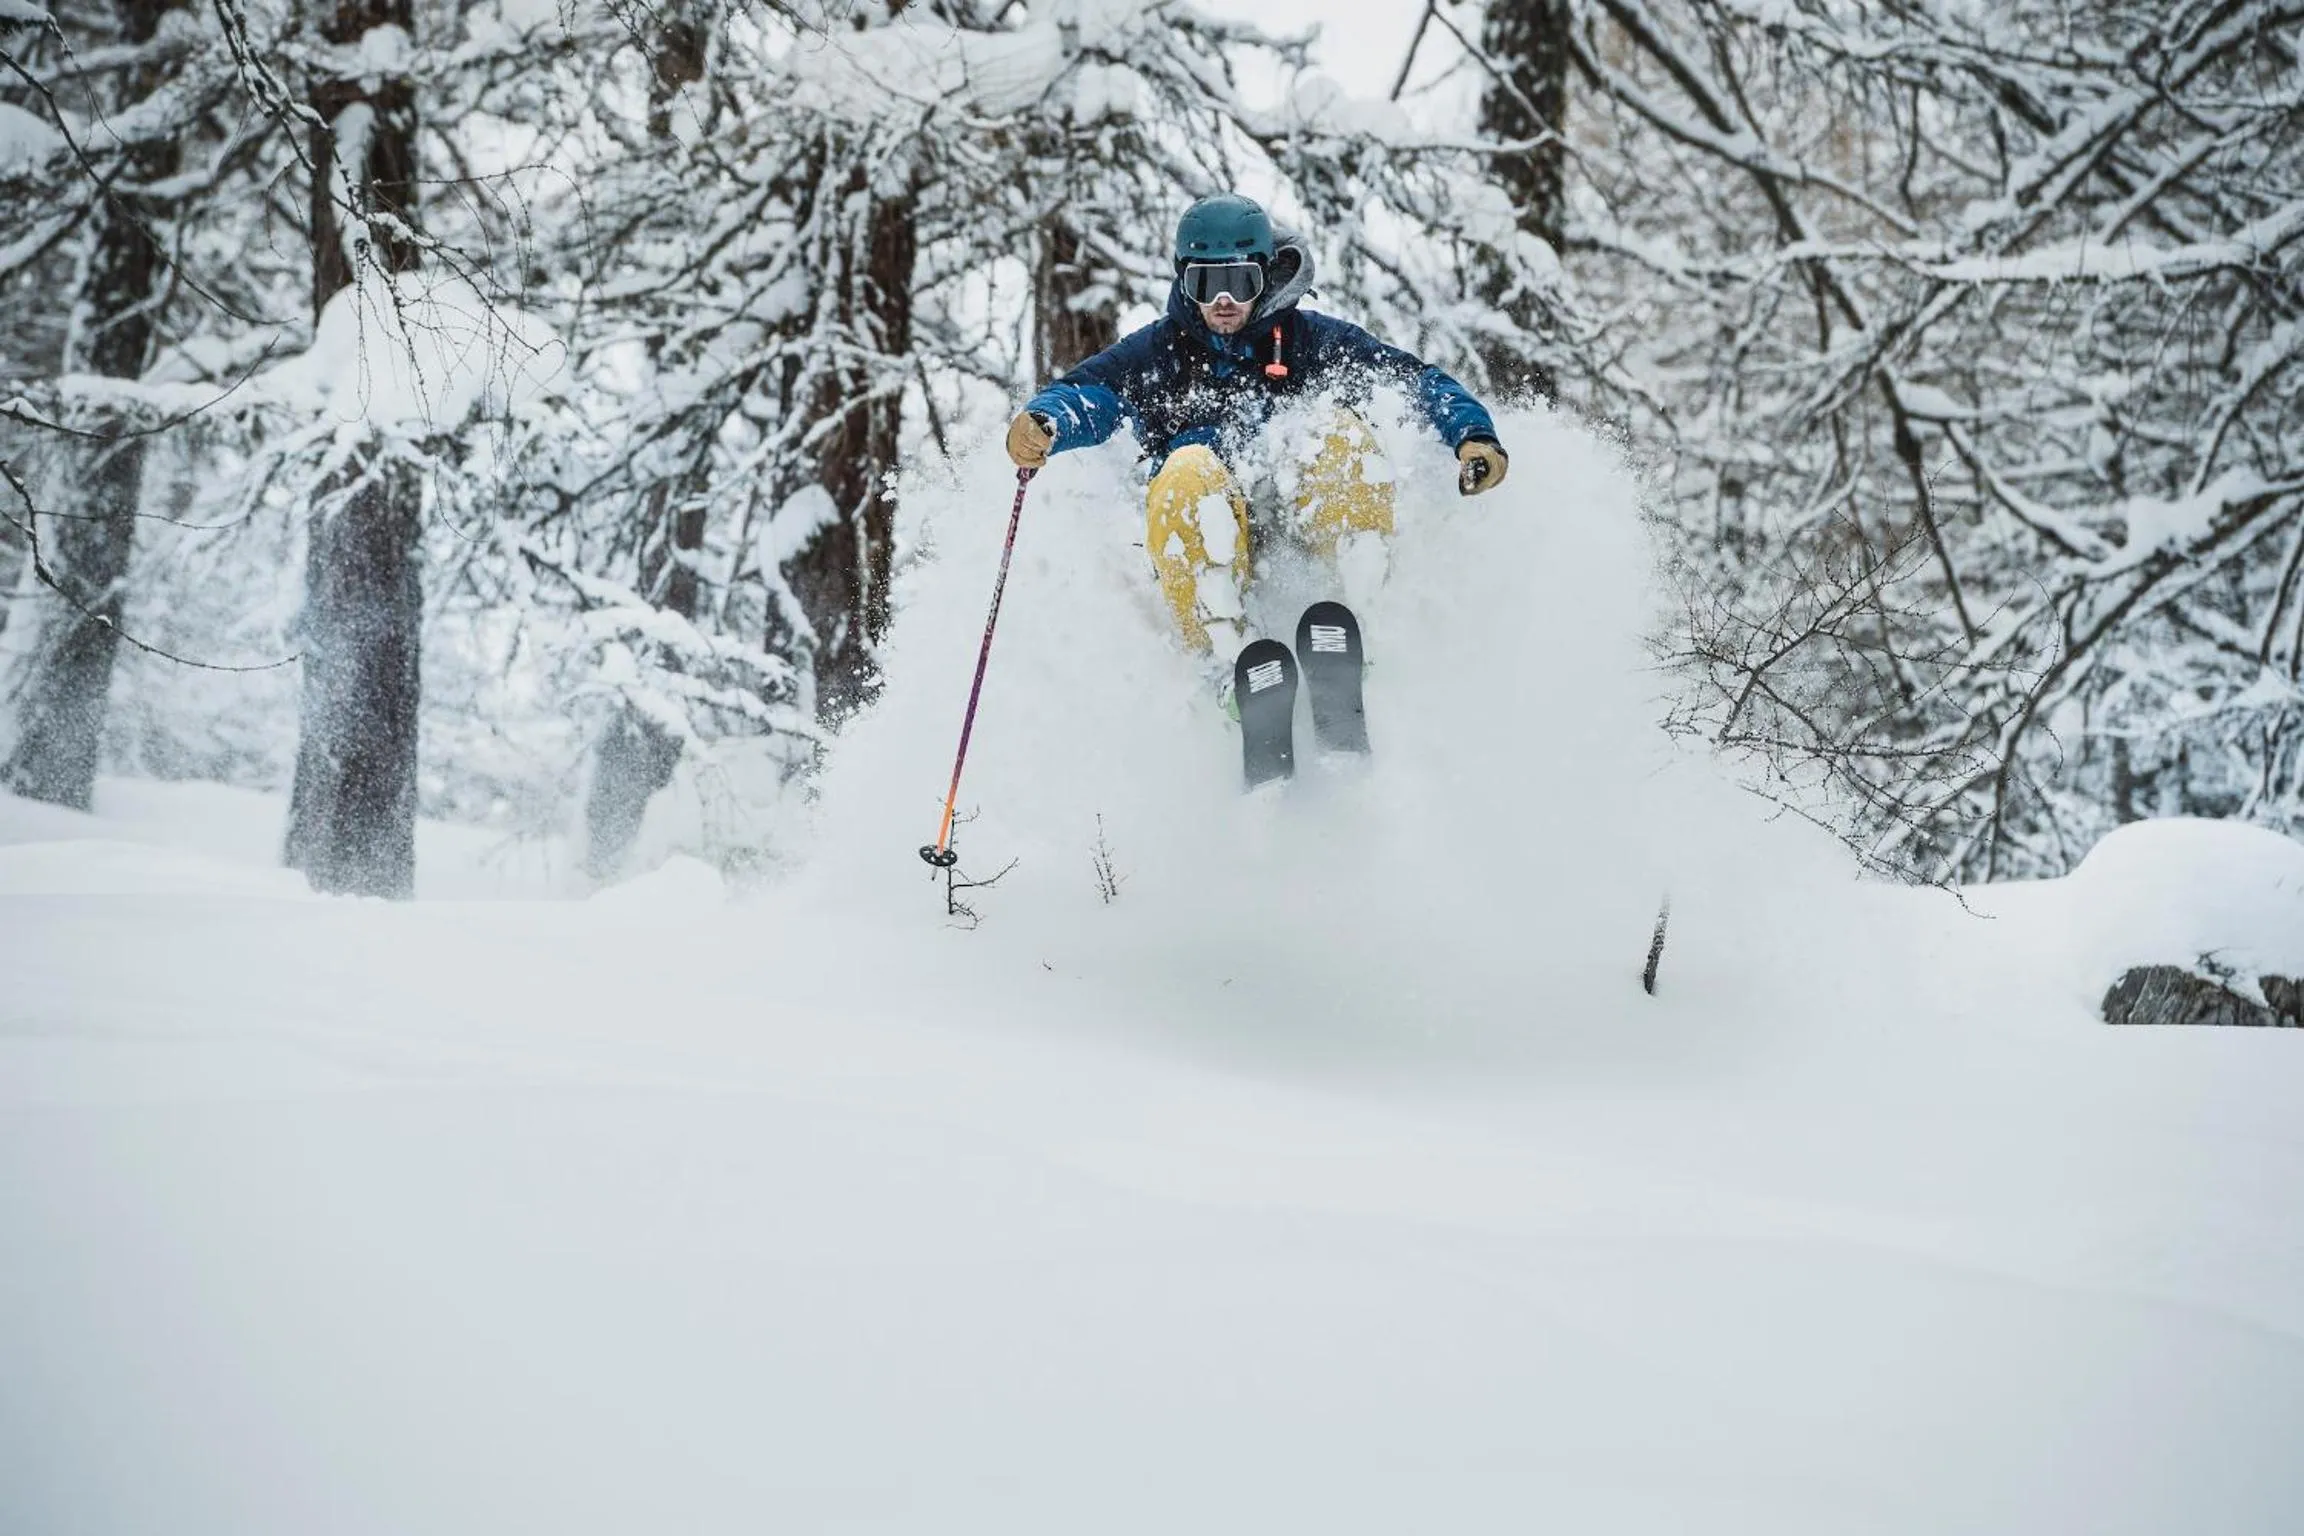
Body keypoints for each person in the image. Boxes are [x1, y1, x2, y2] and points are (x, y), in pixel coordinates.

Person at [1005, 192, 1509, 669]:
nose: (1224, 300)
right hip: (1208, 535)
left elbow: (1410, 382)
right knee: (1186, 474)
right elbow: (1089, 392)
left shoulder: (1308, 342)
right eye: (1206, 284)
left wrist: (1470, 434)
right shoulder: (1158, 354)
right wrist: (1045, 422)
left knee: (1338, 435)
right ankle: (1224, 664)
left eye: (1241, 282)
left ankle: (1355, 628)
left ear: (1265, 278)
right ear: (1184, 282)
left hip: (1301, 525)